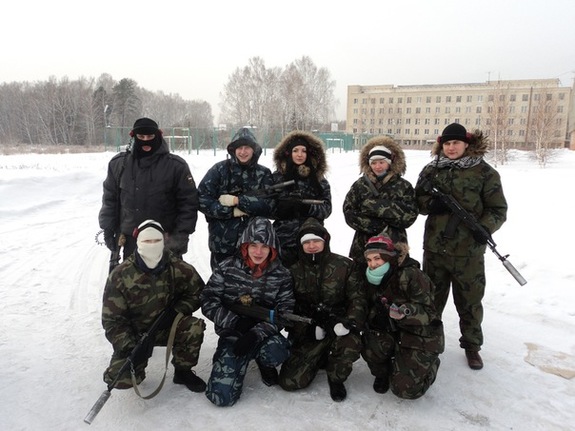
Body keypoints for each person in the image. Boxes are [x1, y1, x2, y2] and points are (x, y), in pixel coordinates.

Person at [415, 123, 508, 370]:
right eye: (447, 144)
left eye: (455, 143)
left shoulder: (484, 172)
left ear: (466, 144)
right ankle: (428, 342)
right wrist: (432, 205)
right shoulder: (432, 170)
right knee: (431, 301)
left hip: (469, 253)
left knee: (469, 302)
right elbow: (418, 201)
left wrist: (485, 228)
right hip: (435, 250)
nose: (451, 148)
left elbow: (498, 209)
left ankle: (472, 346)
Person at [101, 219, 206, 393]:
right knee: (120, 379)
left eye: (156, 241)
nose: (152, 245)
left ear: (164, 240)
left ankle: (183, 371)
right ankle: (135, 363)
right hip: (135, 335)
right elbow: (112, 321)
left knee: (193, 327)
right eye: (146, 241)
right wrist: (130, 346)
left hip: (167, 328)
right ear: (137, 242)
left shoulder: (179, 267)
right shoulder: (120, 275)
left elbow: (198, 293)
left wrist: (176, 311)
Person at [201, 216, 294, 407]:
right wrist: (234, 322)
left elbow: (284, 312)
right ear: (245, 245)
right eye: (253, 245)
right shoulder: (227, 267)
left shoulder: (282, 274)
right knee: (221, 397)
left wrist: (255, 333)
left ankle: (264, 362)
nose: (258, 252)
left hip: (262, 334)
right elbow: (208, 301)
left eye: (264, 246)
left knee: (277, 350)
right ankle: (226, 359)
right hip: (232, 333)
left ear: (272, 248)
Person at [278, 218, 366, 402]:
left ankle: (336, 378)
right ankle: (319, 357)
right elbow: (286, 307)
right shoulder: (292, 271)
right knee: (290, 382)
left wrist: (348, 321)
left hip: (338, 327)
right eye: (306, 242)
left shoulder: (345, 266)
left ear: (325, 241)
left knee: (350, 343)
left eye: (316, 241)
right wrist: (305, 328)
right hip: (310, 330)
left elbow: (358, 298)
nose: (312, 246)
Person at [99, 117, 199, 262]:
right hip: (131, 239)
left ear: (158, 136)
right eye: (141, 136)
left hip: (166, 240)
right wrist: (108, 229)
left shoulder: (176, 166)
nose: (146, 140)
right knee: (130, 283)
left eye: (150, 136)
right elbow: (110, 199)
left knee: (168, 284)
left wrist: (180, 236)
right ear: (134, 137)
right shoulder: (119, 165)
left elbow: (189, 204)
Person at [361, 233, 444, 399]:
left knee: (406, 390)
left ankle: (431, 363)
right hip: (388, 330)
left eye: (377, 258)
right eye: (369, 260)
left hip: (418, 334)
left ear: (389, 257)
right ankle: (384, 372)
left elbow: (430, 313)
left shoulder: (413, 275)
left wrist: (405, 312)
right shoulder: (370, 278)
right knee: (370, 346)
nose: (373, 264)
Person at [198, 127, 275, 269]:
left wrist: (238, 201)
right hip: (222, 245)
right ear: (233, 150)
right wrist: (230, 212)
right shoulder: (219, 170)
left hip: (254, 248)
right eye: (239, 148)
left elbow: (270, 206)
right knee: (220, 285)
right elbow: (202, 199)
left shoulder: (263, 173)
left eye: (247, 147)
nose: (243, 152)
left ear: (254, 150)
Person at [343, 135, 418, 269]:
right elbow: (349, 213)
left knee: (392, 284)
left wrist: (374, 207)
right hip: (363, 246)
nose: (377, 166)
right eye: (373, 163)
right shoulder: (359, 186)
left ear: (389, 162)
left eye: (381, 162)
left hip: (394, 245)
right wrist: (375, 225)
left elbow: (409, 216)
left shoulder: (403, 186)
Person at [271, 130, 332, 267]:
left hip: (311, 242)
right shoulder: (277, 178)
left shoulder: (320, 181)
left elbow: (327, 209)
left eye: (304, 151)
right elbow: (267, 206)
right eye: (295, 150)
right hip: (283, 242)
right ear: (288, 153)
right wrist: (282, 208)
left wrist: (307, 207)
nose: (299, 154)